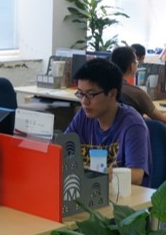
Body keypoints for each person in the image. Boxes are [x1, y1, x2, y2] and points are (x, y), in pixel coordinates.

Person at [65, 58, 152, 186]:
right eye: (80, 94)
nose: (84, 101)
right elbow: (62, 151)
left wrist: (100, 173)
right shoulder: (83, 116)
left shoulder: (132, 125)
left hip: (124, 196)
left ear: (112, 94)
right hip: (92, 191)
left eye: (90, 94)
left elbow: (137, 175)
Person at [110, 46, 166, 124]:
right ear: (132, 66)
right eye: (136, 62)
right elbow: (163, 119)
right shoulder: (137, 93)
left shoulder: (108, 88)